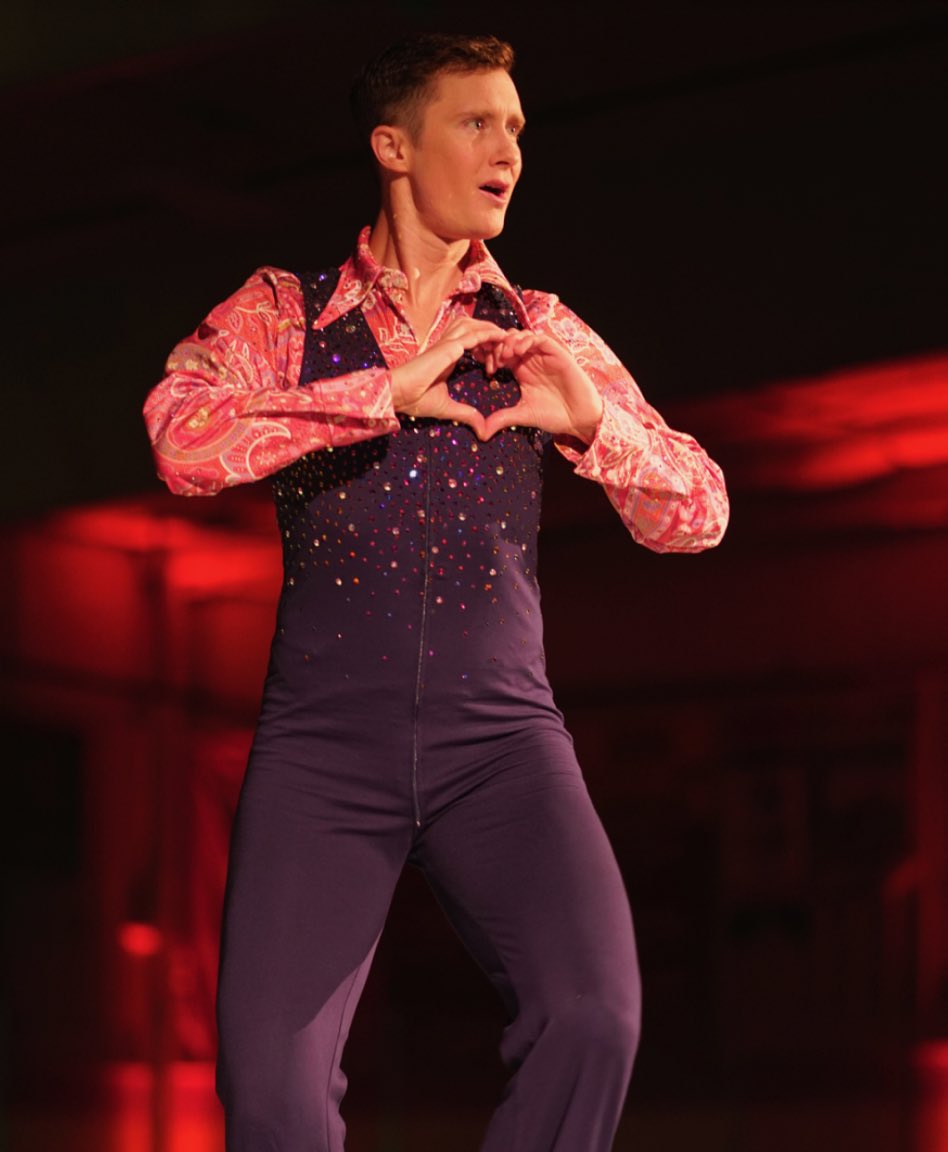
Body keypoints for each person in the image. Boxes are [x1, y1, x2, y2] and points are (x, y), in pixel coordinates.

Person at [144, 32, 728, 1152]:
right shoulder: (287, 314)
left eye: (517, 128)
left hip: (501, 744)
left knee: (594, 1017)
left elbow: (700, 511)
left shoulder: (539, 331)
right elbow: (180, 439)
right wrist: (380, 393)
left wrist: (594, 427)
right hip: (323, 751)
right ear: (394, 146)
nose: (509, 148)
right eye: (478, 122)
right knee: (271, 1099)